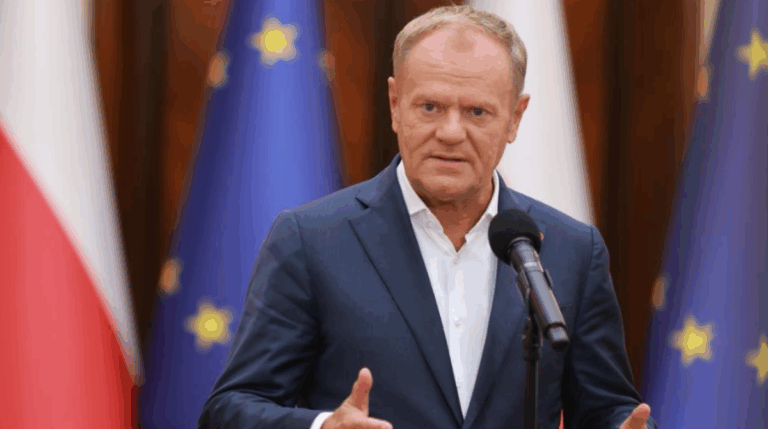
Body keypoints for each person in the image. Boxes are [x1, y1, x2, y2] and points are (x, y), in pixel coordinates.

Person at [199, 6, 657, 429]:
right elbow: (231, 408)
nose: (450, 132)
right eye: (430, 107)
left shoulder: (571, 250)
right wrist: (321, 427)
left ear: (515, 118)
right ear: (395, 104)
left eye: (477, 111)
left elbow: (608, 408)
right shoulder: (311, 240)